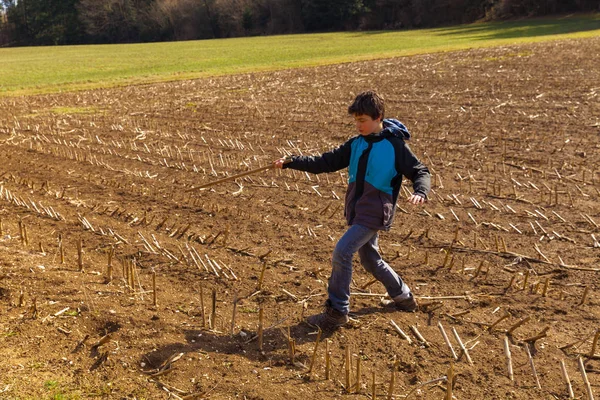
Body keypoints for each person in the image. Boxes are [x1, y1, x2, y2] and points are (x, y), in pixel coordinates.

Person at [273, 90, 431, 331]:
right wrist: (292, 161)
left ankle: (337, 311)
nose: (359, 125)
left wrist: (420, 191)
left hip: (375, 210)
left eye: (363, 120)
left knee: (342, 252)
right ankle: (403, 296)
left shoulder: (395, 146)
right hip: (358, 211)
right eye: (356, 120)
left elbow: (420, 171)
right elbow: (325, 162)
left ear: (378, 117)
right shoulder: (356, 144)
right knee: (370, 260)